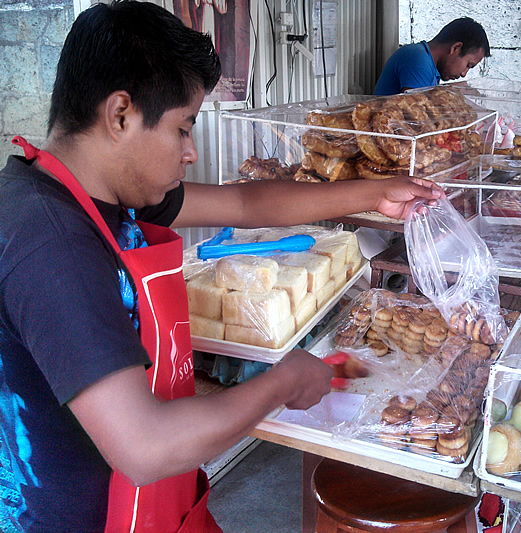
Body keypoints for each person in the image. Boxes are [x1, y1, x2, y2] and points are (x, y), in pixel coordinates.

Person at [0, 1, 442, 531]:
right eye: (183, 129)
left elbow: (246, 206)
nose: (190, 151)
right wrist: (280, 384)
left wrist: (376, 193)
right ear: (120, 115)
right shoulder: (50, 242)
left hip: (148, 504)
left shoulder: (103, 197)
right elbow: (145, 446)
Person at [373, 17, 490, 96]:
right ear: (455, 48)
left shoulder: (430, 66)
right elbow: (415, 113)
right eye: (468, 65)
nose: (464, 73)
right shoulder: (418, 60)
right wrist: (454, 91)